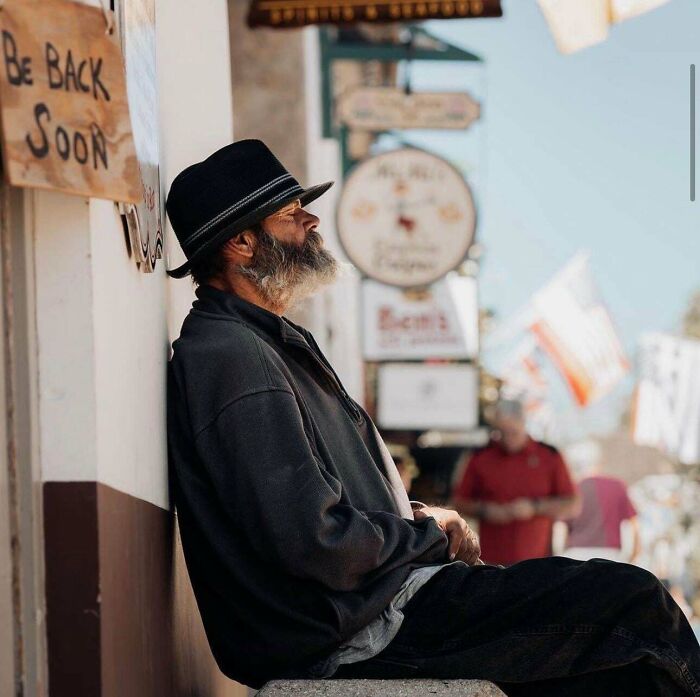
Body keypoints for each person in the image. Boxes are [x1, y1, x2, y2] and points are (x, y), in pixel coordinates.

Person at [166, 140, 700, 695]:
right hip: (357, 630)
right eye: (290, 213)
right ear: (242, 241)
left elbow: (318, 512)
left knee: (610, 670)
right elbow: (313, 542)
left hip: (378, 608)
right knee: (638, 605)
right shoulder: (232, 355)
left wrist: (422, 517)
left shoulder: (262, 343)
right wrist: (427, 535)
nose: (311, 221)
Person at [452, 400, 580, 566]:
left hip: (538, 560)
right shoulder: (480, 457)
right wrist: (486, 510)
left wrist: (535, 507)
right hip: (492, 561)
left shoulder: (549, 456)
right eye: (502, 433)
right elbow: (459, 502)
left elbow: (573, 504)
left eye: (513, 432)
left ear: (523, 424)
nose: (507, 439)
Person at [563, 442, 641, 563]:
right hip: (610, 556)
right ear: (599, 461)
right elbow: (633, 525)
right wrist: (633, 556)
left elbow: (561, 528)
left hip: (575, 556)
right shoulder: (617, 486)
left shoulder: (573, 489)